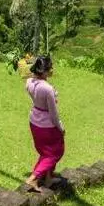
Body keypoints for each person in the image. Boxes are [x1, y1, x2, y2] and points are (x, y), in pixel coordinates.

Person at [24, 55, 65, 191]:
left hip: (34, 120)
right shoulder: (47, 89)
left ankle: (48, 178)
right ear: (45, 71)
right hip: (47, 125)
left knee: (45, 150)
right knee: (55, 152)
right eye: (50, 67)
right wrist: (61, 127)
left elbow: (37, 96)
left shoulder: (29, 82)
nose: (53, 69)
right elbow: (53, 114)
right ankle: (33, 178)